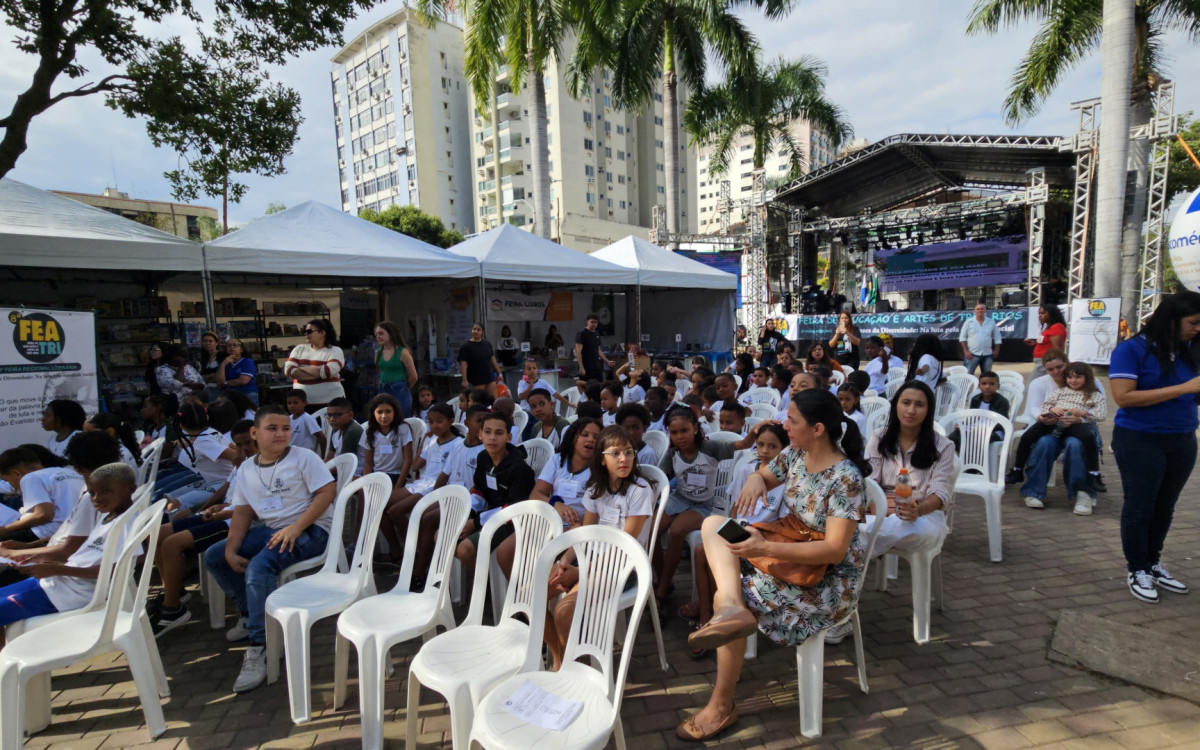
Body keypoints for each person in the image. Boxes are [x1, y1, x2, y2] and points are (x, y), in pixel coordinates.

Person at [677, 389, 870, 741]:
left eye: (792, 420)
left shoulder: (846, 478)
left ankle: (722, 704)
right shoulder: (796, 453)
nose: (785, 424)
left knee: (725, 596)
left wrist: (764, 545)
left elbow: (834, 551)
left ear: (818, 429)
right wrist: (754, 479)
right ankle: (733, 608)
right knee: (712, 526)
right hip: (787, 549)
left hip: (826, 581)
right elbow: (764, 475)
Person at [204, 405, 337, 693]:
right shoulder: (247, 468)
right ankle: (249, 613)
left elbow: (327, 492)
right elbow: (242, 511)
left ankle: (260, 645)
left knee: (259, 566)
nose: (280, 433)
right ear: (255, 433)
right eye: (272, 428)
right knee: (215, 556)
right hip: (271, 529)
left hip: (311, 530)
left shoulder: (304, 458)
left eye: (286, 428)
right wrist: (231, 549)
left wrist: (297, 527)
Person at [1109, 292, 1200, 603]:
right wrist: (1185, 387)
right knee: (1140, 507)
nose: (1198, 328)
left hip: (1183, 438)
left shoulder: (1190, 351)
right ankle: (1137, 568)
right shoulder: (1131, 350)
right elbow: (1124, 397)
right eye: (1194, 322)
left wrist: (1193, 392)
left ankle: (1153, 562)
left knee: (1165, 506)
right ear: (1171, 320)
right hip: (1140, 439)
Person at [543, 425, 654, 669]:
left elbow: (625, 545)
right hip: (592, 559)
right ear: (602, 460)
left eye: (628, 452)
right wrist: (566, 560)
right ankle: (561, 660)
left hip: (623, 566)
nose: (623, 459)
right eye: (615, 453)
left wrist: (581, 571)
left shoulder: (639, 490)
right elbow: (585, 533)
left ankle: (577, 670)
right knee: (532, 592)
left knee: (564, 611)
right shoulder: (596, 488)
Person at [0, 462, 139, 648]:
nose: (97, 498)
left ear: (131, 489)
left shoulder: (126, 523)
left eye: (106, 491)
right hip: (55, 584)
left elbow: (118, 570)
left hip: (70, 595)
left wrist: (57, 569)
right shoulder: (108, 516)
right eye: (92, 493)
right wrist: (36, 558)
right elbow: (82, 554)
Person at [678, 423, 789, 648]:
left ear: (784, 450)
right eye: (760, 445)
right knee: (702, 549)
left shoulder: (787, 480)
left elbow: (782, 522)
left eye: (772, 446)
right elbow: (735, 508)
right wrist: (732, 527)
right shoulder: (748, 471)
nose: (765, 451)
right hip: (740, 527)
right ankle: (707, 615)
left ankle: (716, 611)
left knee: (708, 551)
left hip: (763, 535)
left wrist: (750, 533)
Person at [150, 419, 255, 637]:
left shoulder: (263, 467)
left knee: (172, 544)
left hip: (235, 522)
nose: (244, 450)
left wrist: (223, 511)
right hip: (224, 511)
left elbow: (255, 508)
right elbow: (227, 490)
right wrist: (208, 508)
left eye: (249, 443)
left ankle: (172, 609)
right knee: (158, 534)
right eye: (239, 445)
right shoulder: (244, 463)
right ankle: (174, 591)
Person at [654, 405, 759, 614]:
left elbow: (744, 443)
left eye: (684, 430)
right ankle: (662, 576)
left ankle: (663, 589)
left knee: (676, 531)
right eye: (674, 433)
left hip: (702, 504)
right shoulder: (673, 453)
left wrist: (758, 429)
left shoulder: (710, 448)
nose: (679, 437)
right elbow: (660, 476)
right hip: (679, 499)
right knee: (653, 531)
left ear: (694, 428)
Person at [0, 432, 121, 589]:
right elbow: (73, 537)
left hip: (63, 582)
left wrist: (14, 554)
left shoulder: (93, 500)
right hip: (60, 571)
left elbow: (67, 550)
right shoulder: (114, 492)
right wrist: (27, 547)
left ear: (76, 466)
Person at [865, 380, 955, 570]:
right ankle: (870, 543)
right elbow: (871, 479)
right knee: (845, 524)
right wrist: (878, 508)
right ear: (896, 404)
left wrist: (918, 510)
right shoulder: (879, 436)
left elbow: (940, 490)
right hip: (880, 507)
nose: (911, 410)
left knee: (906, 528)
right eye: (906, 402)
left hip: (923, 514)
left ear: (929, 410)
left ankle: (862, 549)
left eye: (919, 405)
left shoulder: (943, 445)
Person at [454, 411, 536, 574]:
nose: (492, 437)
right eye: (487, 432)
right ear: (480, 434)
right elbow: (479, 490)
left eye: (499, 433)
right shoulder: (483, 457)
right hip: (488, 515)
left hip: (512, 521)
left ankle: (485, 589)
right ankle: (481, 575)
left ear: (508, 437)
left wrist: (475, 523)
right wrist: (469, 514)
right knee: (443, 536)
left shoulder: (520, 469)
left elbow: (514, 509)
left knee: (465, 550)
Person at [161, 402, 239, 513]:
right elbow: (236, 449)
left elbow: (236, 455)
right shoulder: (209, 432)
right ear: (206, 417)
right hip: (213, 481)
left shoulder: (202, 442)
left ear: (181, 425)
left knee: (174, 506)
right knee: (166, 499)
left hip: (224, 484)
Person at [0, 446, 81, 543]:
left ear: (16, 473)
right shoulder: (69, 472)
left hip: (50, 531)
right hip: (77, 530)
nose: (11, 485)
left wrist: (6, 529)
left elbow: (43, 515)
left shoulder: (30, 478)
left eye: (7, 481)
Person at [283, 318, 345, 408]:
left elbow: (328, 371)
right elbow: (289, 371)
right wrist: (319, 373)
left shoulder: (334, 350)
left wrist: (300, 369)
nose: (306, 334)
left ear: (322, 333)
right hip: (304, 404)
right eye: (305, 331)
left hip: (330, 403)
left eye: (309, 331)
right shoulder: (299, 349)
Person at [947, 371, 1010, 450]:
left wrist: (982, 429)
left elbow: (1001, 423)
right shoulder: (975, 399)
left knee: (973, 439)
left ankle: (975, 459)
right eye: (984, 384)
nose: (987, 386)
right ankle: (965, 459)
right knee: (953, 436)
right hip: (974, 428)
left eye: (992, 384)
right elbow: (971, 417)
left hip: (993, 431)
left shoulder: (1002, 402)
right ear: (979, 386)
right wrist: (963, 424)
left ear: (998, 386)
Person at [374, 321, 418, 419]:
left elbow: (413, 376)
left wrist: (403, 387)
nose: (378, 336)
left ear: (390, 333)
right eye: (376, 334)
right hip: (382, 389)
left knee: (400, 420)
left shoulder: (403, 352)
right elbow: (381, 371)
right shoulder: (378, 353)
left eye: (381, 333)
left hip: (399, 389)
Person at [458, 323, 502, 399]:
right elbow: (463, 364)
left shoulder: (487, 344)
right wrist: (464, 380)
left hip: (489, 376)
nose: (476, 331)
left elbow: (492, 359)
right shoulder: (466, 346)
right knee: (479, 401)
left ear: (482, 332)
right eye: (474, 329)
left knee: (493, 399)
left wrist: (499, 373)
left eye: (478, 330)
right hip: (476, 377)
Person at [1024, 304, 1068, 377]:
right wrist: (1035, 342)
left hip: (1046, 362)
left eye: (1043, 313)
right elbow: (1048, 342)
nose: (1040, 316)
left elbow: (1057, 349)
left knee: (1032, 386)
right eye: (1039, 313)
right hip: (1042, 362)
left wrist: (1052, 366)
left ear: (1052, 314)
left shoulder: (1056, 327)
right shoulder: (1049, 328)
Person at [959, 302, 1001, 375]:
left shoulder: (991, 322)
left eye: (982, 309)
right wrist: (966, 351)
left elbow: (997, 336)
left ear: (985, 311)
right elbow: (962, 338)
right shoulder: (969, 322)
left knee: (987, 376)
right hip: (972, 354)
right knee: (967, 376)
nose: (980, 311)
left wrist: (996, 350)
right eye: (978, 309)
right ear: (975, 311)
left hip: (987, 354)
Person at [322, 397, 363, 469]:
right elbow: (330, 456)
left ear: (350, 415)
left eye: (337, 415)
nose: (332, 419)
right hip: (338, 468)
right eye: (329, 415)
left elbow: (344, 465)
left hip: (353, 474)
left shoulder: (353, 431)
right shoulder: (337, 427)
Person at [216, 338, 259, 406]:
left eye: (235, 345)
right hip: (228, 394)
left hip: (246, 393)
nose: (232, 347)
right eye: (229, 345)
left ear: (241, 349)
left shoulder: (247, 361)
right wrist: (223, 364)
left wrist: (226, 383)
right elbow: (220, 382)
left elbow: (243, 380)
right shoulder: (223, 363)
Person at [284, 389, 325, 456]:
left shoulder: (307, 418)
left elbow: (321, 437)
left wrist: (323, 455)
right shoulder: (288, 419)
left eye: (295, 403)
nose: (292, 406)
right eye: (289, 403)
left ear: (304, 403)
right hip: (293, 454)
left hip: (306, 455)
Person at [575, 313, 614, 381]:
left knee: (599, 386)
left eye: (596, 322)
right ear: (587, 322)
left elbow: (598, 350)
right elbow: (578, 352)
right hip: (586, 367)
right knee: (587, 387)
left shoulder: (596, 333)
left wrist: (607, 361)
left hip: (597, 366)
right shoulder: (582, 333)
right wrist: (581, 367)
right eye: (592, 322)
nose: (594, 324)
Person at [199, 331, 225, 399]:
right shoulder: (203, 357)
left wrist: (209, 376)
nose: (207, 343)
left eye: (210, 341)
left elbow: (221, 373)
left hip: (219, 388)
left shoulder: (222, 356)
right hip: (207, 387)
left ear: (216, 343)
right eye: (205, 341)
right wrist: (212, 375)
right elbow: (200, 376)